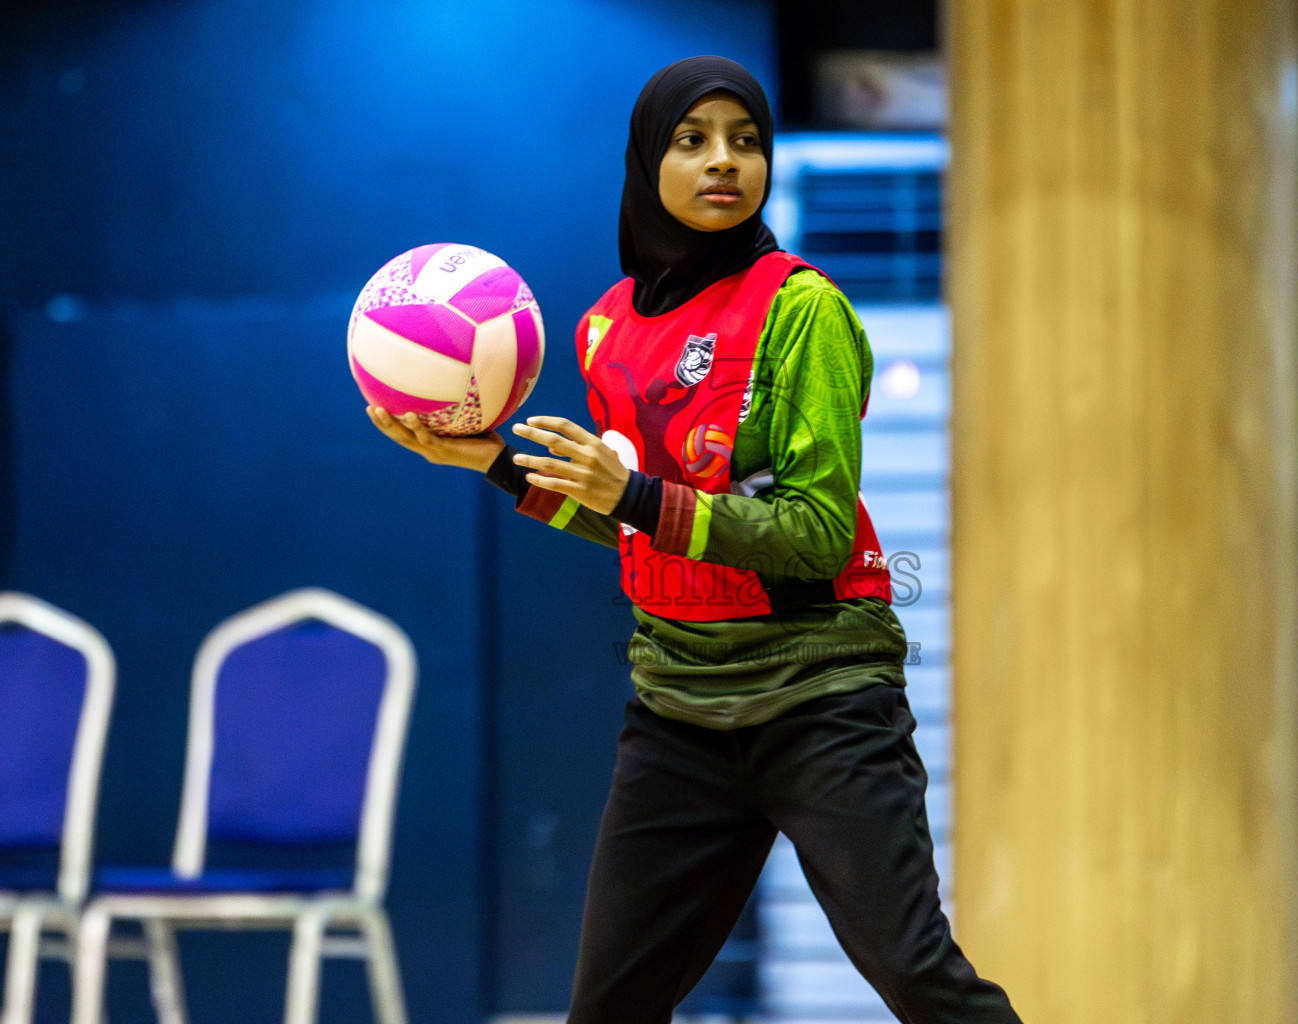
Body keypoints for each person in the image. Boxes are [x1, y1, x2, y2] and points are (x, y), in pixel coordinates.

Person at [368, 55, 1022, 1024]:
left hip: (822, 699)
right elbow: (645, 531)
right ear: (646, 162)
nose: (724, 162)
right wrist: (491, 465)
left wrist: (632, 491)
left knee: (917, 977)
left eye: (745, 140)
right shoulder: (602, 330)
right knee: (608, 1010)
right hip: (678, 710)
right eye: (693, 140)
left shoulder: (803, 311)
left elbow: (812, 534)